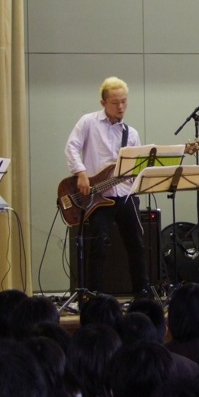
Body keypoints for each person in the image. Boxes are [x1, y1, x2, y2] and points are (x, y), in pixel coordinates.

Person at [65, 76, 150, 296]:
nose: (121, 107)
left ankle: (142, 293)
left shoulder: (131, 134)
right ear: (103, 103)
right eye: (115, 102)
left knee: (136, 244)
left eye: (124, 101)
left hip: (125, 194)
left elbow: (137, 167)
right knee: (98, 246)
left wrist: (140, 175)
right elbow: (72, 147)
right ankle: (96, 295)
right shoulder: (88, 122)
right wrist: (81, 173)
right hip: (96, 197)